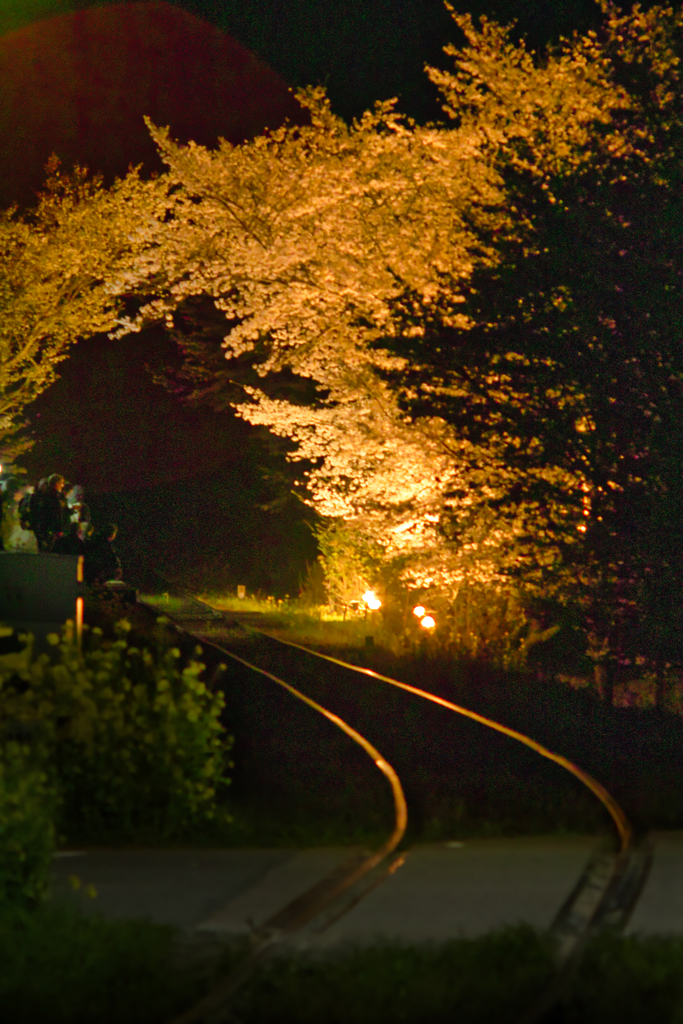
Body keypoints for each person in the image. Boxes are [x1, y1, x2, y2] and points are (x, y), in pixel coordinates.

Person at [35, 474, 69, 551]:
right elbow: (54, 514)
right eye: (61, 483)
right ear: (56, 483)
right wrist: (57, 529)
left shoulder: (53, 496)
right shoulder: (52, 497)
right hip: (51, 531)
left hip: (51, 530)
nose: (63, 486)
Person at [84, 523, 123, 588]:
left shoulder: (94, 539)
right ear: (112, 534)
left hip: (87, 568)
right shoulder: (106, 544)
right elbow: (112, 557)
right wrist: (117, 566)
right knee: (117, 572)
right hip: (97, 570)